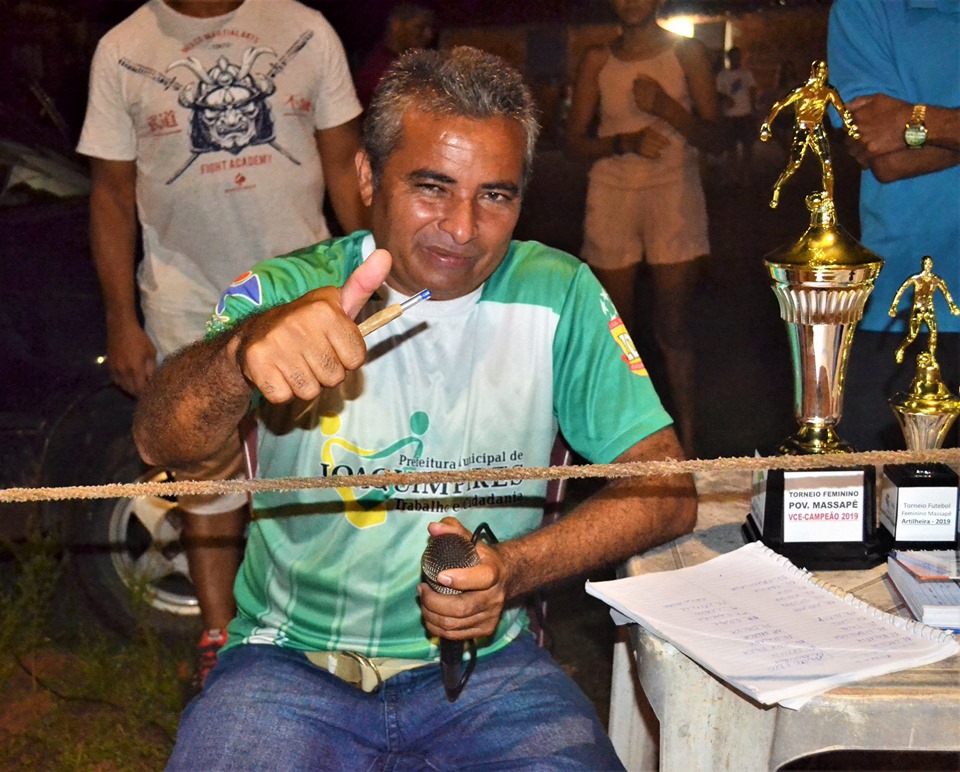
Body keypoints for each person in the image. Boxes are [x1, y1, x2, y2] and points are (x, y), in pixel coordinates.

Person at [133, 46, 697, 768]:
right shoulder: (283, 292)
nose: (463, 228)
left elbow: (666, 485)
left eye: (495, 194)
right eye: (432, 187)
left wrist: (513, 570)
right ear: (368, 177)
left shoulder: (561, 293)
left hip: (490, 673)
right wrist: (242, 353)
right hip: (286, 668)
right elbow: (161, 443)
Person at [76, 0, 368, 697]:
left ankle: (323, 630)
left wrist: (372, 268)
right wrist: (121, 317)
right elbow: (111, 195)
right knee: (205, 472)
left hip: (307, 288)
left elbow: (345, 163)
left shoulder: (303, 28)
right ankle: (219, 636)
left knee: (323, 465)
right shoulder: (124, 48)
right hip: (186, 297)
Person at [564, 0, 722, 458]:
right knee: (620, 333)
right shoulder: (597, 58)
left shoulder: (687, 53)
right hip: (612, 190)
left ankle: (688, 448)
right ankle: (629, 452)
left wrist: (669, 109)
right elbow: (572, 143)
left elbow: (717, 137)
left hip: (673, 187)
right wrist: (624, 140)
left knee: (673, 326)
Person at [828, 0, 960, 451]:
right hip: (903, 309)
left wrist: (919, 119)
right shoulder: (867, 7)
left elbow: (902, 137)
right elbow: (887, 156)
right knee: (892, 506)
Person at [759, 61, 860, 209]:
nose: (822, 74)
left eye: (824, 70)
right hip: (803, 126)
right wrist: (767, 124)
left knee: (827, 163)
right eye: (819, 70)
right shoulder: (803, 90)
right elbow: (780, 105)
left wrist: (851, 126)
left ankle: (829, 201)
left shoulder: (829, 92)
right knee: (795, 163)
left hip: (817, 127)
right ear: (813, 72)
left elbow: (842, 110)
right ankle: (778, 187)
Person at [353, 2, 436, 108]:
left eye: (431, 28)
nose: (429, 35)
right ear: (396, 25)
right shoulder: (376, 71)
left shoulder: (414, 61)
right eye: (420, 27)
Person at [888, 256, 959, 365]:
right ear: (923, 265)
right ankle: (901, 349)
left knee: (934, 332)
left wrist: (952, 306)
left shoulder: (936, 279)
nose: (929, 265)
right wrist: (894, 306)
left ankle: (932, 356)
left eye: (930, 263)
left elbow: (946, 293)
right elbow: (901, 290)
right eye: (926, 263)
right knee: (912, 335)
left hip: (929, 308)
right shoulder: (916, 278)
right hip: (917, 308)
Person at [715, 46, 757, 186]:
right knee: (731, 147)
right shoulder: (722, 75)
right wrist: (725, 99)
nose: (737, 60)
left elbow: (752, 89)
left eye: (739, 57)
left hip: (745, 114)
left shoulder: (746, 74)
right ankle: (733, 174)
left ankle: (746, 175)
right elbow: (718, 93)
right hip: (730, 115)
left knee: (747, 147)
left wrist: (753, 107)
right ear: (729, 58)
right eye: (734, 57)